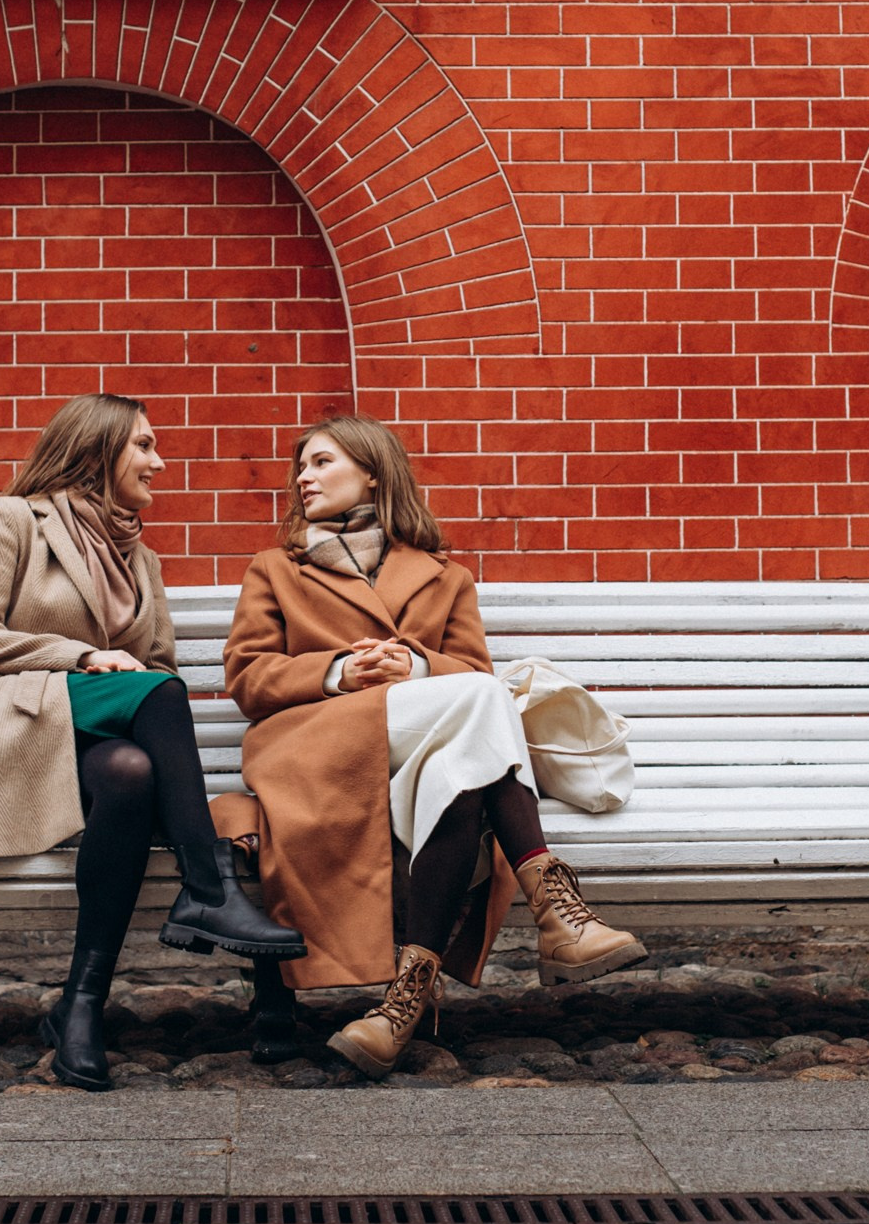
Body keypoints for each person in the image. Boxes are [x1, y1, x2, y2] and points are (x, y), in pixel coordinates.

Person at [219, 413, 644, 1078]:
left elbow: (471, 671)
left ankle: (401, 1006)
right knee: (488, 702)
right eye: (301, 466)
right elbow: (248, 677)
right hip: (317, 745)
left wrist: (414, 669)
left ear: (371, 471)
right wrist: (339, 671)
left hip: (421, 750)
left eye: (322, 462)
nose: (304, 476)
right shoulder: (276, 569)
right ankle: (559, 911)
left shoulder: (446, 577)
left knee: (461, 779)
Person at [0, 393, 304, 1091]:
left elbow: (161, 666)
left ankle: (80, 1005)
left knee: (128, 771)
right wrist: (81, 657)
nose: (159, 460)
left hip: (90, 746)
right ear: (98, 452)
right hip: (10, 718)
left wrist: (127, 678)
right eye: (143, 446)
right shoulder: (10, 520)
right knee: (155, 696)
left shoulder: (138, 556)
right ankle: (207, 887)